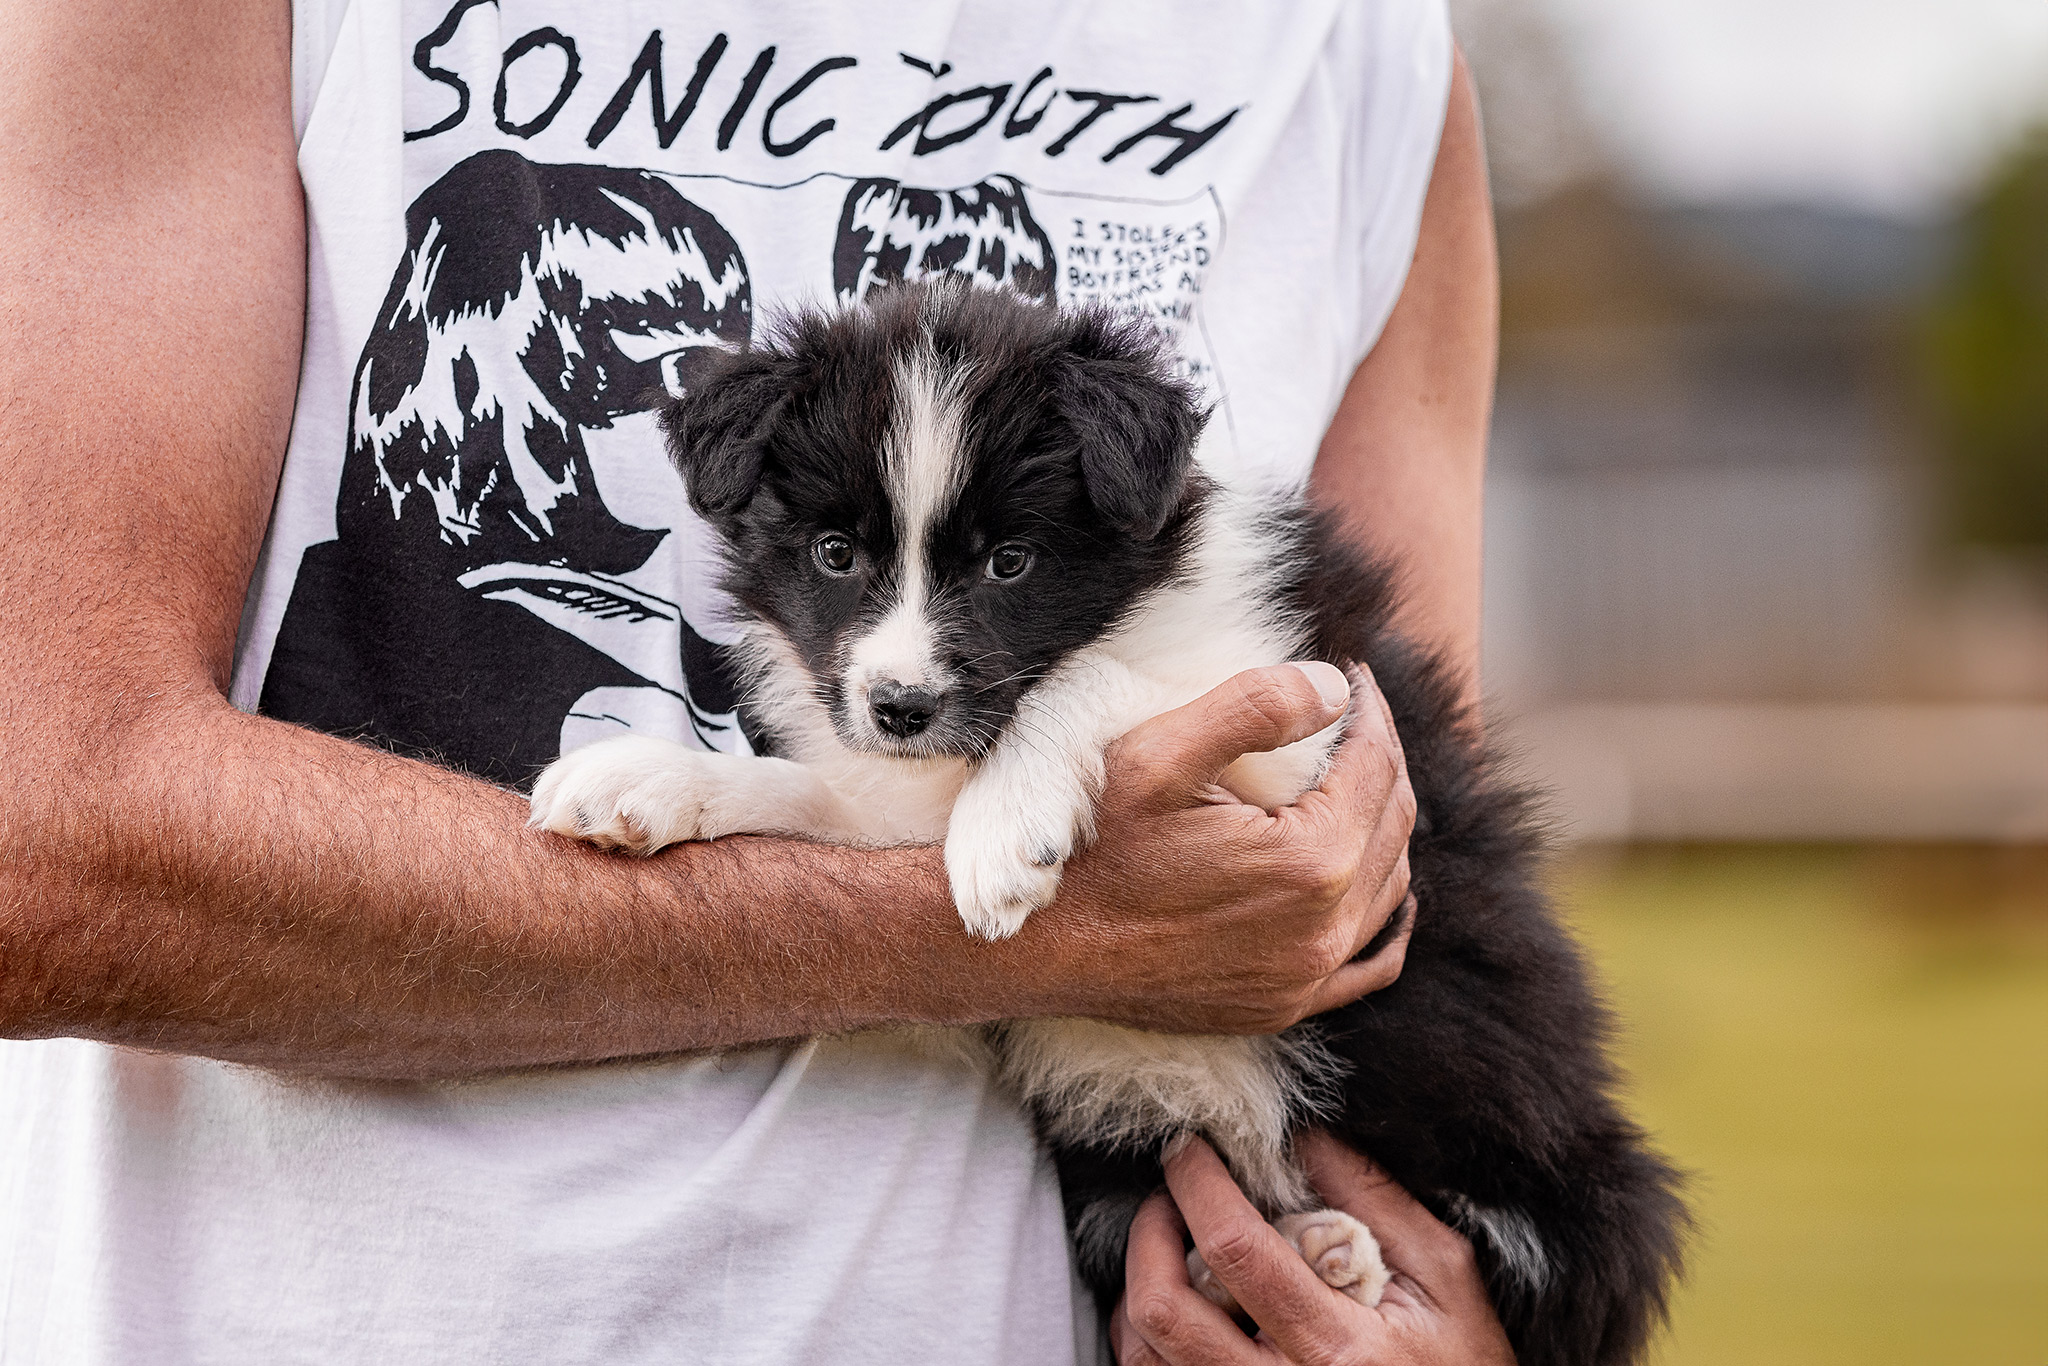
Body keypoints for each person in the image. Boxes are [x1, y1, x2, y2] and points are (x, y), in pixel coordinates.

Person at [0, 2, 1498, 1363]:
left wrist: (1453, 1336)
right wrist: (1002, 938)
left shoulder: (1353, 50)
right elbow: (37, 843)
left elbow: (1410, 866)